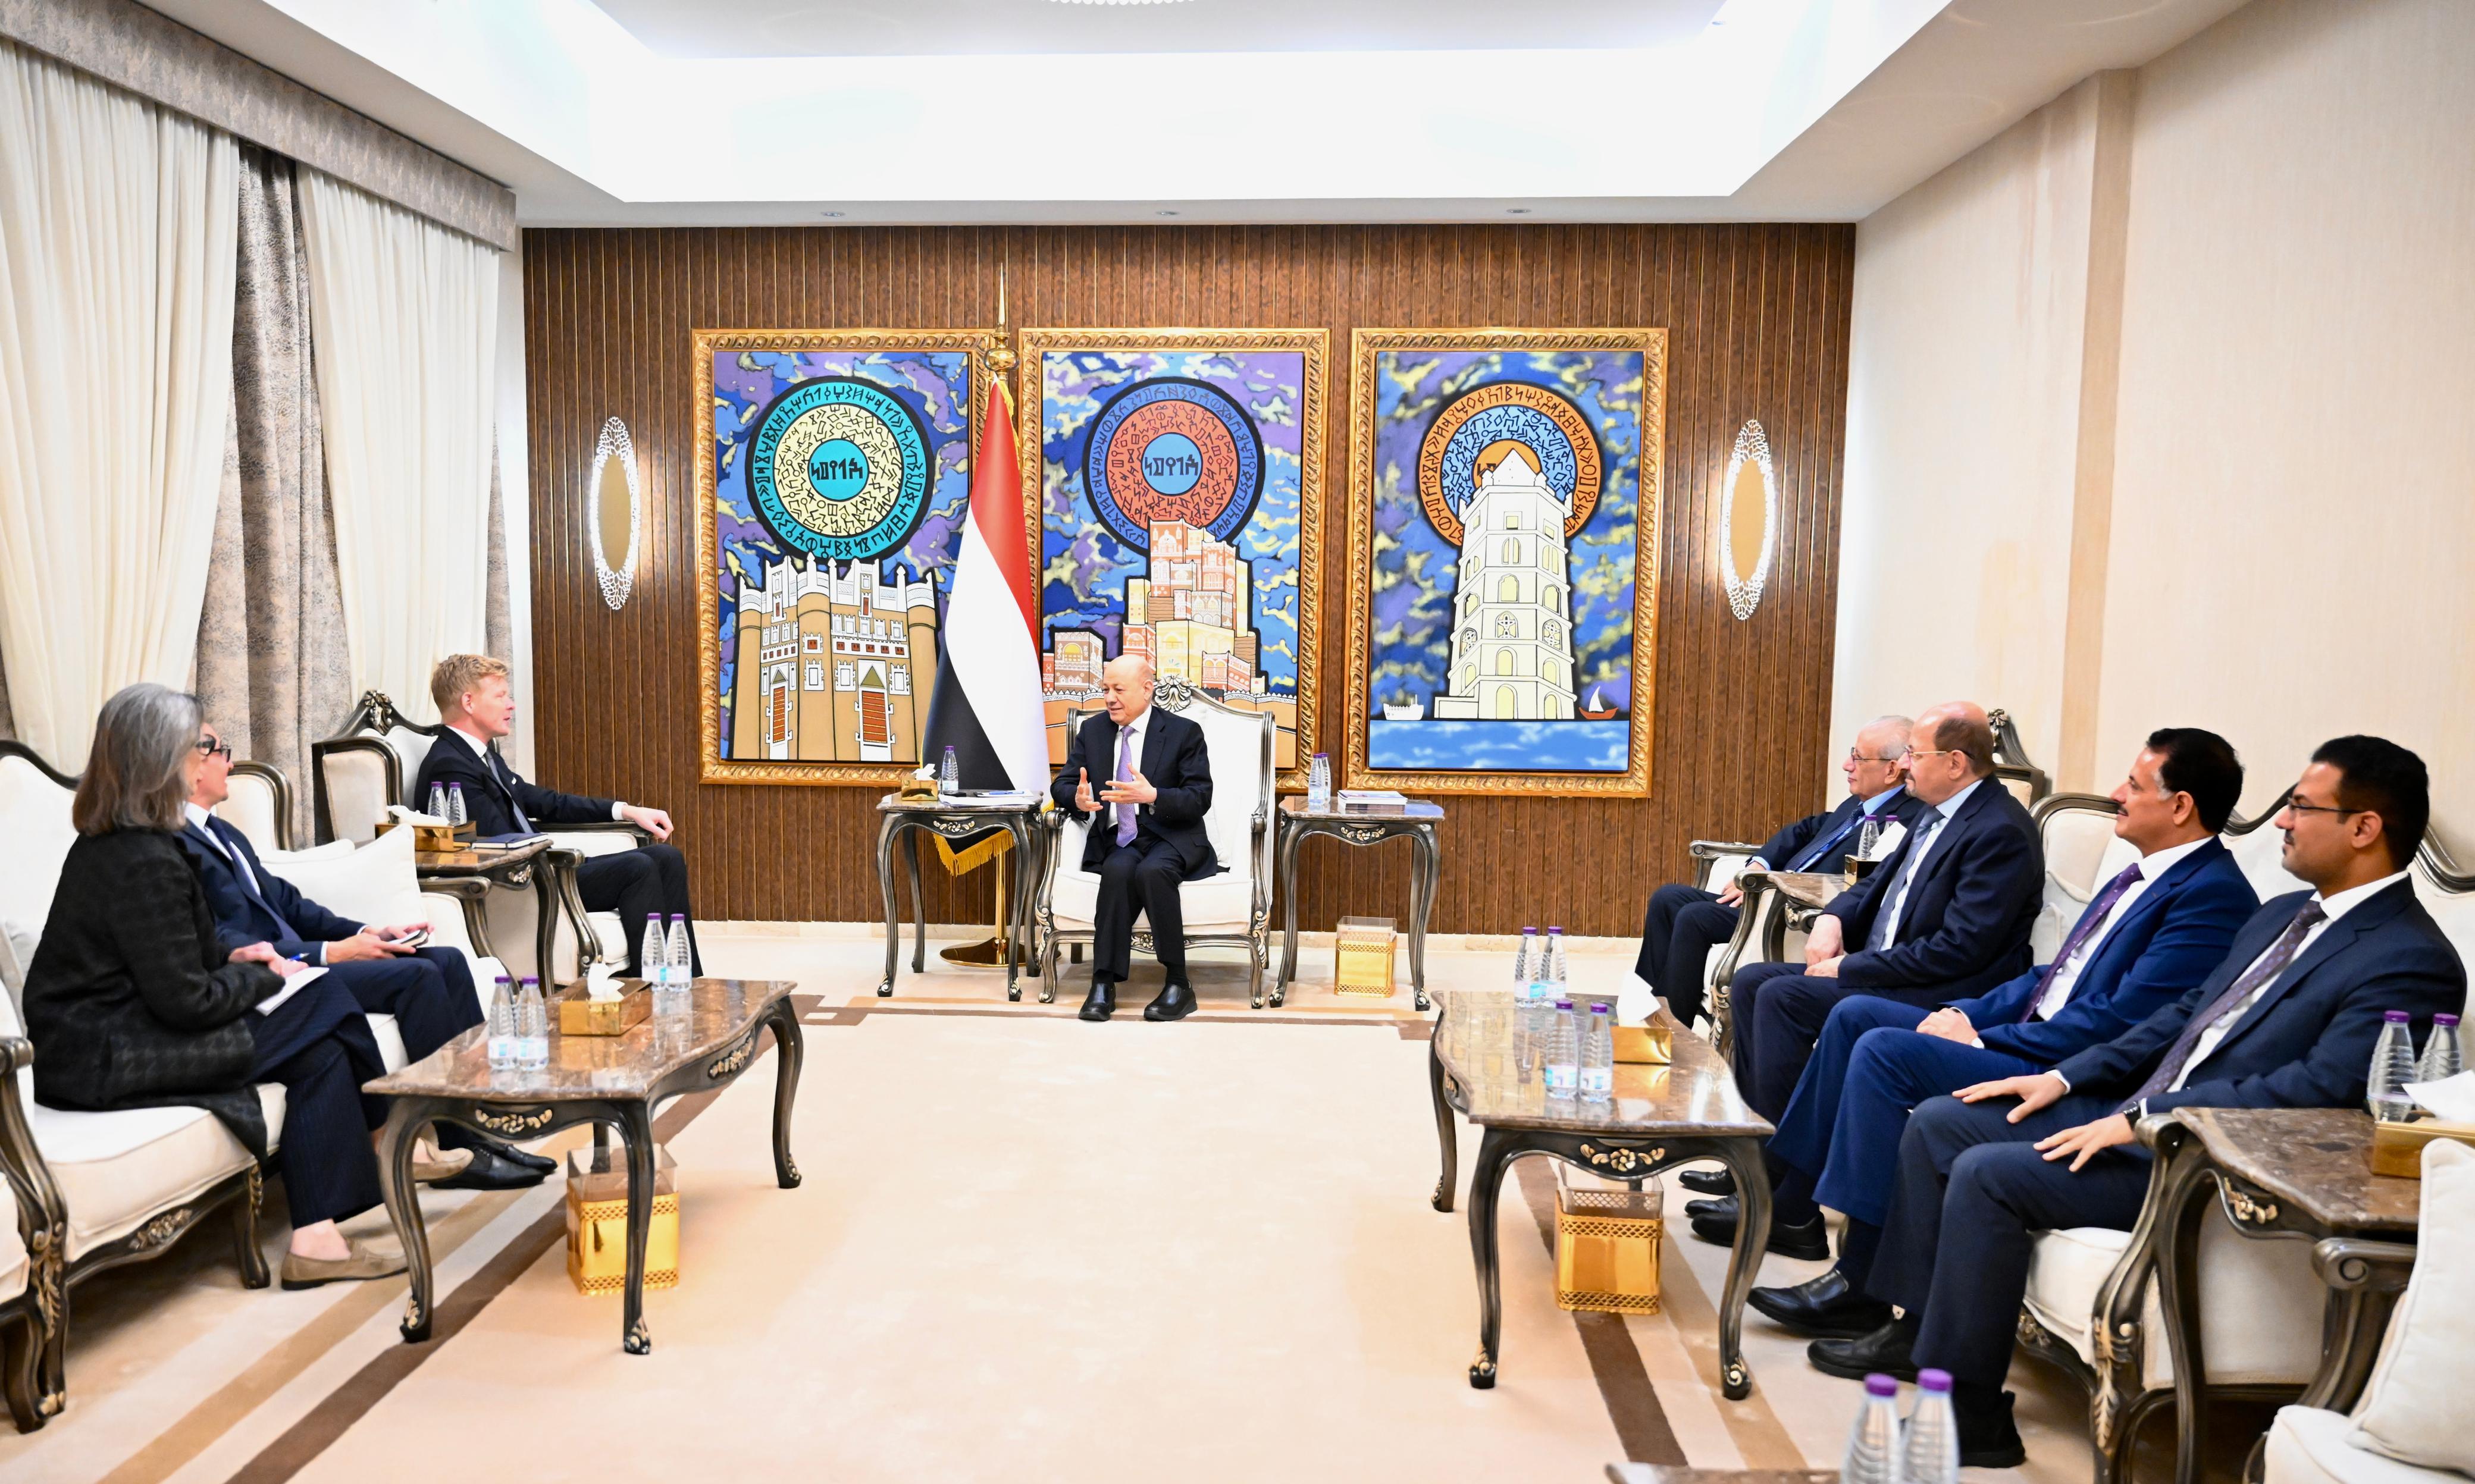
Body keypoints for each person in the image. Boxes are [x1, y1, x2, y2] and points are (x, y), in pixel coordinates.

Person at [1814, 736, 2464, 1466]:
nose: (2282, 820)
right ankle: (1914, 1336)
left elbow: (2313, 1091)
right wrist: (2064, 1078)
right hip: (2133, 1107)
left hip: (2199, 1155)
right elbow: (2182, 1015)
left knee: (1987, 1172)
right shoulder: (2283, 912)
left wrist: (2141, 1118)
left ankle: (1970, 1418)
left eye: (2300, 807)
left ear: (2363, 827)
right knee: (1941, 1122)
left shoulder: (2408, 958)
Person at [1722, 729, 2259, 1328]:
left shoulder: (2211, 897)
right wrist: (1968, 1014)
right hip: (2021, 1028)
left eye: (2132, 785)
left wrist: (1984, 1039)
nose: (2115, 794)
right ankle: (1792, 1202)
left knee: (1884, 1052)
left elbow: (2120, 1020)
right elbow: (2053, 975)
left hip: (2062, 1068)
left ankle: (1859, 1280)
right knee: (1853, 1016)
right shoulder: (2139, 874)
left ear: (2180, 805)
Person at [21, 684, 408, 1288]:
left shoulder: (124, 844)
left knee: (322, 1045)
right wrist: (262, 974)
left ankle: (317, 1238)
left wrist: (234, 954)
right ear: (161, 760)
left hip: (129, 1030)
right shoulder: (140, 860)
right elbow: (188, 1001)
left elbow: (163, 956)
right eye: (194, 748)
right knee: (323, 997)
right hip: (103, 1055)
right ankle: (382, 1135)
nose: (204, 759)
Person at [1702, 701, 2042, 1255]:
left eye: (1916, 754)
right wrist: (1835, 917)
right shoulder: (1935, 811)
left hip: (1944, 989)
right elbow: (1873, 882)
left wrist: (1852, 966)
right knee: (1753, 982)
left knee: (1784, 996)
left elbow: (1960, 949)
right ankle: (1760, 1167)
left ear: (1955, 762)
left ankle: (1789, 1201)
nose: (1906, 765)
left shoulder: (1999, 831)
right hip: (1897, 967)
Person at [181, 720, 547, 1191]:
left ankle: (482, 1122)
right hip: (276, 975)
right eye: (222, 751)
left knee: (448, 960)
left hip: (305, 959)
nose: (231, 763)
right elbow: (218, 938)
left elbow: (291, 904)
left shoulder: (222, 832)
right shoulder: (176, 843)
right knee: (417, 976)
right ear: (192, 762)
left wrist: (365, 931)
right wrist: (330, 951)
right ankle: (463, 1144)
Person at [412, 654, 697, 980]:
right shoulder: (450, 765)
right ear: (469, 702)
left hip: (540, 869)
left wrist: (625, 810)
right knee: (639, 868)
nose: (511, 705)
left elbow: (546, 802)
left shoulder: (480, 755)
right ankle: (652, 986)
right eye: (501, 696)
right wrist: (551, 855)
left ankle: (686, 982)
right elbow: (493, 843)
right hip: (523, 884)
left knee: (667, 857)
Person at [1635, 715, 1923, 1027]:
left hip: (1790, 912)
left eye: (1858, 758)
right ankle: (1643, 1010)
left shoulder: (1905, 820)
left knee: (1695, 917)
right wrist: (1760, 866)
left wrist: (1770, 886)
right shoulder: (1859, 804)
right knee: (1668, 899)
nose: (1846, 765)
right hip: (1767, 894)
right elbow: (1806, 829)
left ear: (1891, 769)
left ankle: (1673, 1032)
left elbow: (1866, 883)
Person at [1049, 655, 1218, 1023]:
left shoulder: (1183, 732)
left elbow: (1199, 798)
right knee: (1118, 871)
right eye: (1105, 689)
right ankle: (1103, 983)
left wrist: (1153, 795)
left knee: (1153, 872)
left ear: (1146, 690)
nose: (1110, 698)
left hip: (1173, 837)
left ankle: (1178, 983)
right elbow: (1063, 784)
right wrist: (1076, 798)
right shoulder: (1093, 731)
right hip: (1121, 839)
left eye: (1118, 690)